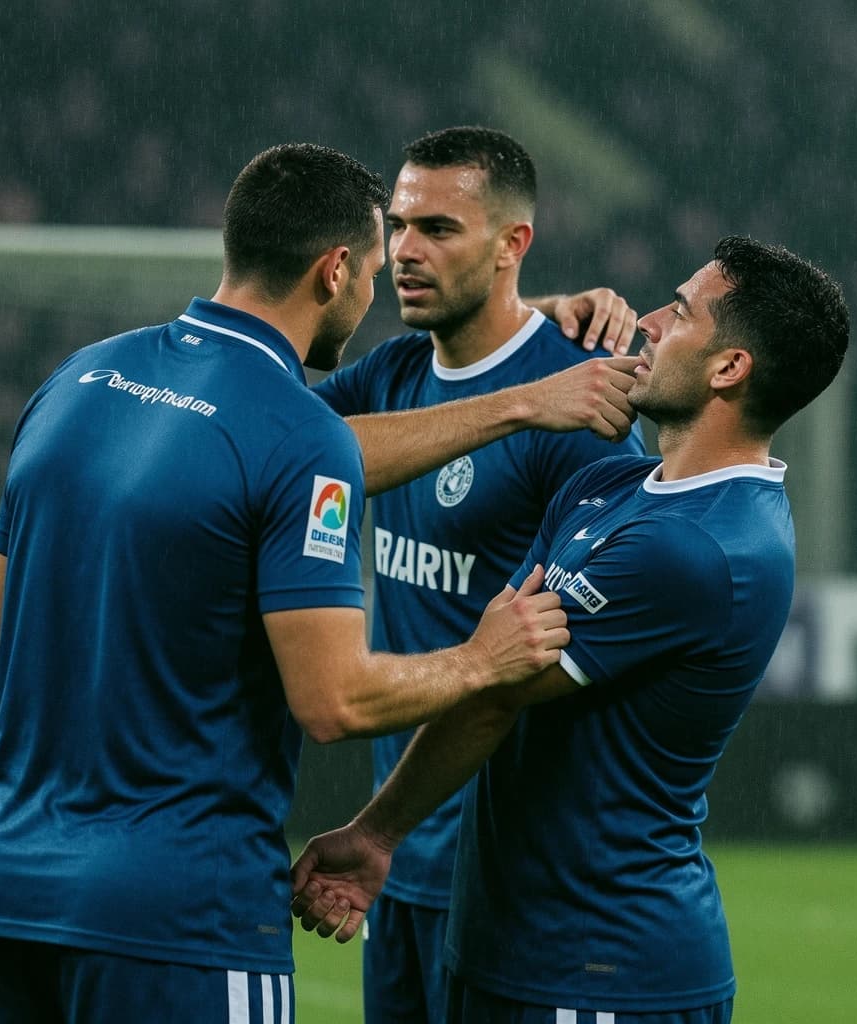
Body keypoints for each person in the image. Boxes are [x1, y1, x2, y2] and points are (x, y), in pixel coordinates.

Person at [0, 142, 575, 1024]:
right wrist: (480, 658)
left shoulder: (76, 381)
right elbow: (333, 700)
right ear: (337, 269)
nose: (391, 272)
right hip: (177, 917)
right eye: (384, 248)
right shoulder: (301, 435)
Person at [291, 235, 850, 1024]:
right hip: (515, 945)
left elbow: (497, 685)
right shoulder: (608, 483)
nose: (647, 321)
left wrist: (378, 832)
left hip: (601, 966)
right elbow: (502, 642)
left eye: (680, 311)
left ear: (730, 369)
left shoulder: (697, 545)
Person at [311, 125, 646, 1024]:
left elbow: (554, 662)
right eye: (399, 224)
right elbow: (257, 447)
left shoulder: (585, 406)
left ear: (512, 245)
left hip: (515, 873)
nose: (406, 250)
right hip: (399, 861)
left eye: (440, 229)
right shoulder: (393, 373)